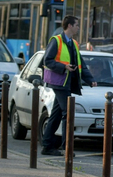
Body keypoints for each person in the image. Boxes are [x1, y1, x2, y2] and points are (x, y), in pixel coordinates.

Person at [41, 16, 96, 156]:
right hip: (59, 83)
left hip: (67, 83)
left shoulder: (74, 43)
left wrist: (90, 79)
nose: (78, 27)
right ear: (70, 26)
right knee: (68, 113)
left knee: (57, 114)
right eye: (77, 25)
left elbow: (80, 63)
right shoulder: (56, 41)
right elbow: (47, 60)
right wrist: (63, 67)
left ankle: (47, 145)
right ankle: (67, 148)